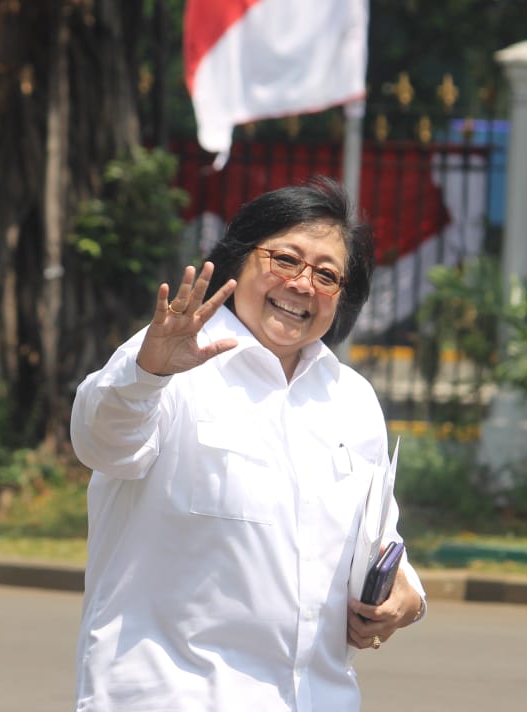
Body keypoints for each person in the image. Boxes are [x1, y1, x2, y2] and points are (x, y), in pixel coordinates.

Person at [70, 176, 427, 711]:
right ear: (238, 260)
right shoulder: (172, 362)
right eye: (285, 259)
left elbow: (378, 541)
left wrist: (406, 595)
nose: (303, 284)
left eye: (327, 275)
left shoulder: (351, 400)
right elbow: (101, 442)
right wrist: (146, 373)